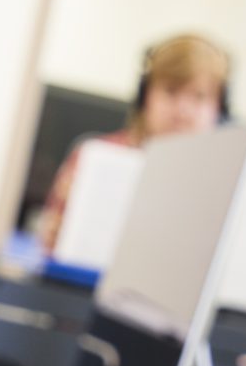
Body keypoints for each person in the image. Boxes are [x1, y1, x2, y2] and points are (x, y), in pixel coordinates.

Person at [35, 32, 231, 254]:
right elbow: (49, 246)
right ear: (144, 95)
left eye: (199, 96)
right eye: (171, 91)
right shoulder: (95, 157)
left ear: (219, 110)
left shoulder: (225, 179)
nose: (182, 110)